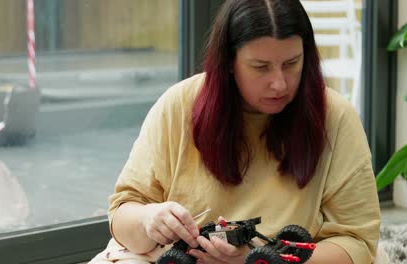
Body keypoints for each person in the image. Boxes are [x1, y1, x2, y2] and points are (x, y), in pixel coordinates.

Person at [89, 0, 380, 263]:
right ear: (228, 62)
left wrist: (259, 261)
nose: (279, 83)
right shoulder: (178, 106)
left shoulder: (335, 116)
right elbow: (123, 215)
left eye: (292, 64)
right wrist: (148, 219)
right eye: (261, 67)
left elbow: (358, 241)